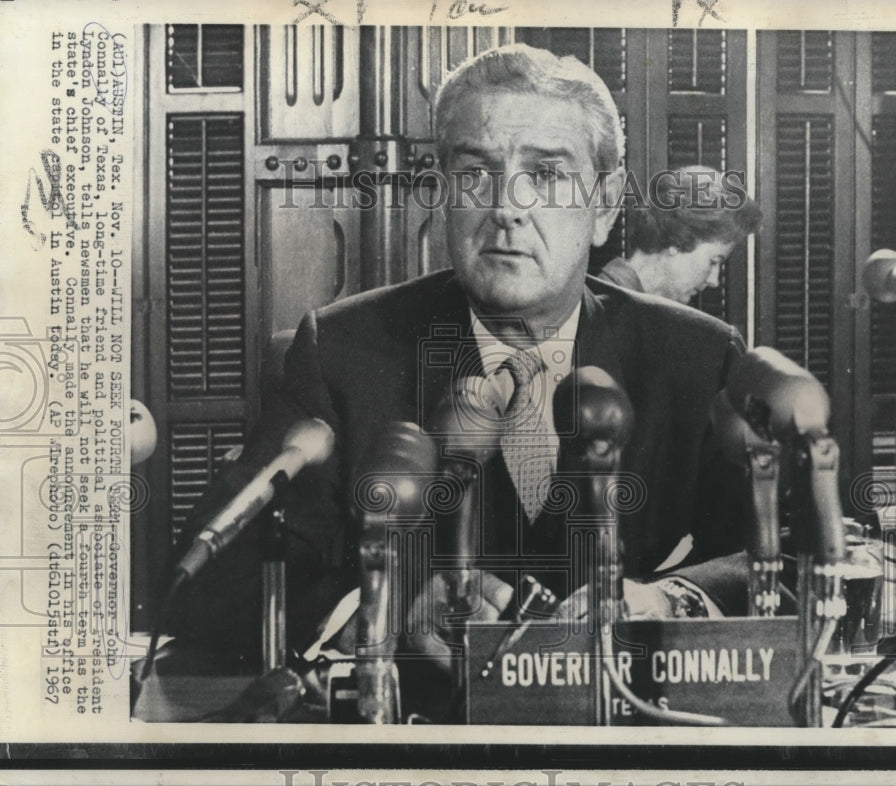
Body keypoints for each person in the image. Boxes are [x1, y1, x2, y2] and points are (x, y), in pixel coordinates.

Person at [166, 44, 750, 666]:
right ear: (443, 193)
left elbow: (794, 549)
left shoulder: (697, 357)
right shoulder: (341, 351)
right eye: (476, 175)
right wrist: (378, 611)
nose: (506, 210)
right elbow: (210, 586)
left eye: (546, 176)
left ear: (604, 206)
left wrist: (672, 601)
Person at [597, 165, 762, 304]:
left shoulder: (640, 307)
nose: (714, 281)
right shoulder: (606, 308)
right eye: (713, 262)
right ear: (677, 240)